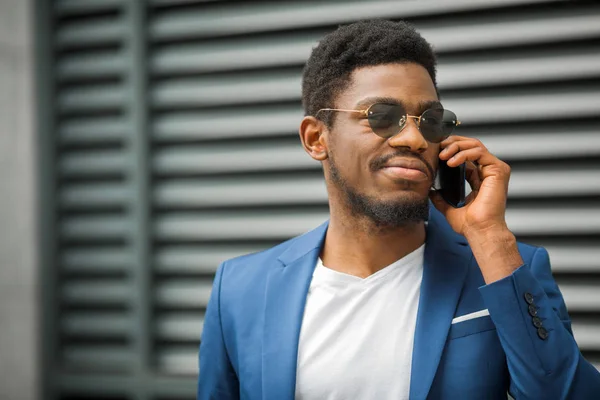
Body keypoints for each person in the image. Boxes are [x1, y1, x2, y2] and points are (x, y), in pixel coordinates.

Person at [198, 20, 600, 399]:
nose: (413, 138)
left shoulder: (506, 268)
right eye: (382, 117)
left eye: (430, 120)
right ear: (316, 138)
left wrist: (490, 238)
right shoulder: (240, 287)